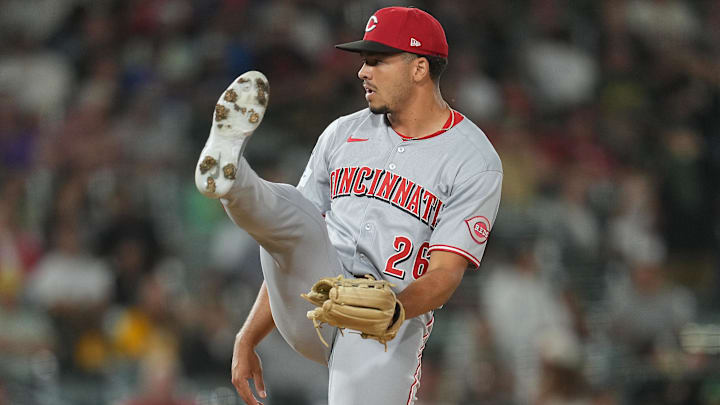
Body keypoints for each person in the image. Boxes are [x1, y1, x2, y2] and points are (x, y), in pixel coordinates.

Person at [194, 6, 502, 405]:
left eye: (377, 60)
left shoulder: (473, 159)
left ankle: (236, 181)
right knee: (295, 211)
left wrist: (394, 309)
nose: (362, 71)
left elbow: (445, 274)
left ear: (419, 68)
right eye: (363, 61)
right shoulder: (342, 133)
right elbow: (289, 241)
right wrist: (247, 335)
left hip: (387, 323)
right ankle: (233, 180)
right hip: (315, 294)